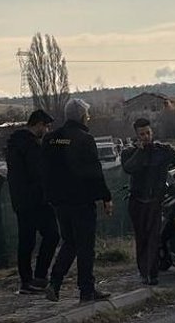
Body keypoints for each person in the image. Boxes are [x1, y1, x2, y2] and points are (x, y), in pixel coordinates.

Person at [41, 99, 113, 303]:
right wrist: (106, 197)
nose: (88, 118)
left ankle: (54, 283)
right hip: (81, 201)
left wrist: (50, 195)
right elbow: (94, 172)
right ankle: (86, 291)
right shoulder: (84, 139)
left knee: (69, 242)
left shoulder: (52, 139)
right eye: (87, 115)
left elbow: (45, 170)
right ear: (82, 116)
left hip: (59, 202)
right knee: (85, 247)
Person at [122, 118, 175, 285]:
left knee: (153, 238)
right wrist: (140, 151)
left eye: (148, 133)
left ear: (152, 132)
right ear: (136, 136)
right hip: (137, 201)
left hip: (155, 201)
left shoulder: (163, 150)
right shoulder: (129, 152)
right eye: (142, 134)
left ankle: (152, 274)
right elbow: (129, 168)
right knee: (142, 238)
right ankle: (144, 272)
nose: (146, 136)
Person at [6, 109, 60, 294]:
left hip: (22, 201)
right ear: (38, 124)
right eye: (45, 127)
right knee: (52, 235)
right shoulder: (31, 146)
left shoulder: (15, 144)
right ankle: (38, 277)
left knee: (26, 240)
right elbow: (39, 173)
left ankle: (27, 280)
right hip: (36, 200)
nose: (46, 130)